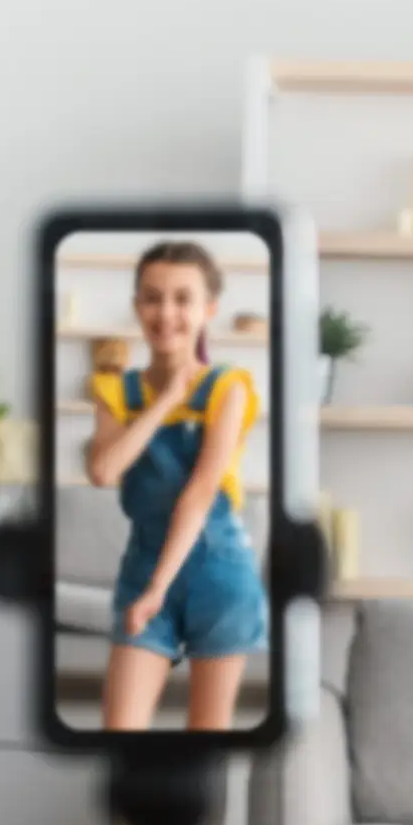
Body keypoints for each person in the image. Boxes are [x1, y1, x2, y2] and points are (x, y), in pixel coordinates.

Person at [87, 241, 266, 730]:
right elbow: (104, 470)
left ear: (208, 309)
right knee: (120, 737)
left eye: (183, 299)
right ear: (136, 306)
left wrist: (158, 588)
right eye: (152, 297)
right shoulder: (114, 390)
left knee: (206, 744)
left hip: (218, 571)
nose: (166, 313)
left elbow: (200, 492)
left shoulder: (229, 387)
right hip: (143, 566)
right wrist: (165, 401)